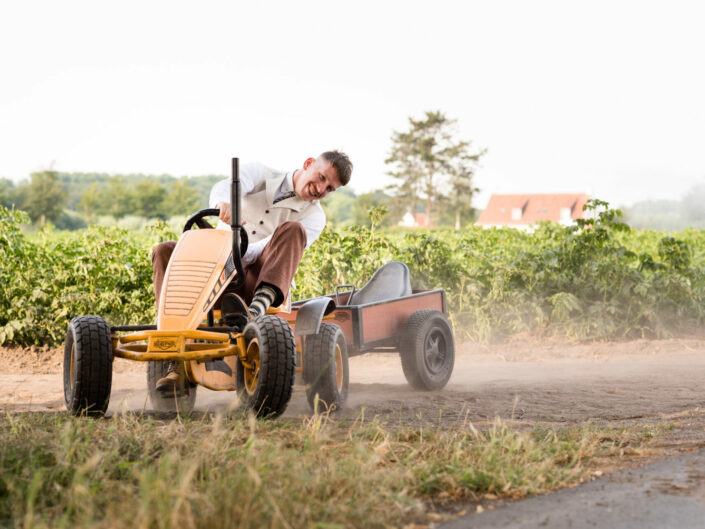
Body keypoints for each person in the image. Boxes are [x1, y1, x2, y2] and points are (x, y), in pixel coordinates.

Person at [151, 150, 353, 393]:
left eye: (330, 188)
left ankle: (254, 312)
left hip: (258, 278)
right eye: (322, 178)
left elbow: (263, 250)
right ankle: (173, 347)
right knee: (164, 250)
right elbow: (224, 188)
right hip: (217, 270)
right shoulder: (261, 174)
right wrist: (222, 205)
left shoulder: (314, 217)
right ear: (309, 164)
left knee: (293, 230)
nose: (321, 190)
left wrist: (236, 250)